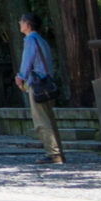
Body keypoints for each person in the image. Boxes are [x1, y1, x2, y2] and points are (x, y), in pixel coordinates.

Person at [15, 13, 66, 165]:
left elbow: (27, 61)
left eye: (22, 21)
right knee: (49, 118)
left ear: (28, 24)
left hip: (37, 84)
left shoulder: (30, 40)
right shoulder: (41, 40)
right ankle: (58, 152)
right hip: (47, 83)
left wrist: (21, 77)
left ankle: (53, 153)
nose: (20, 23)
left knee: (41, 120)